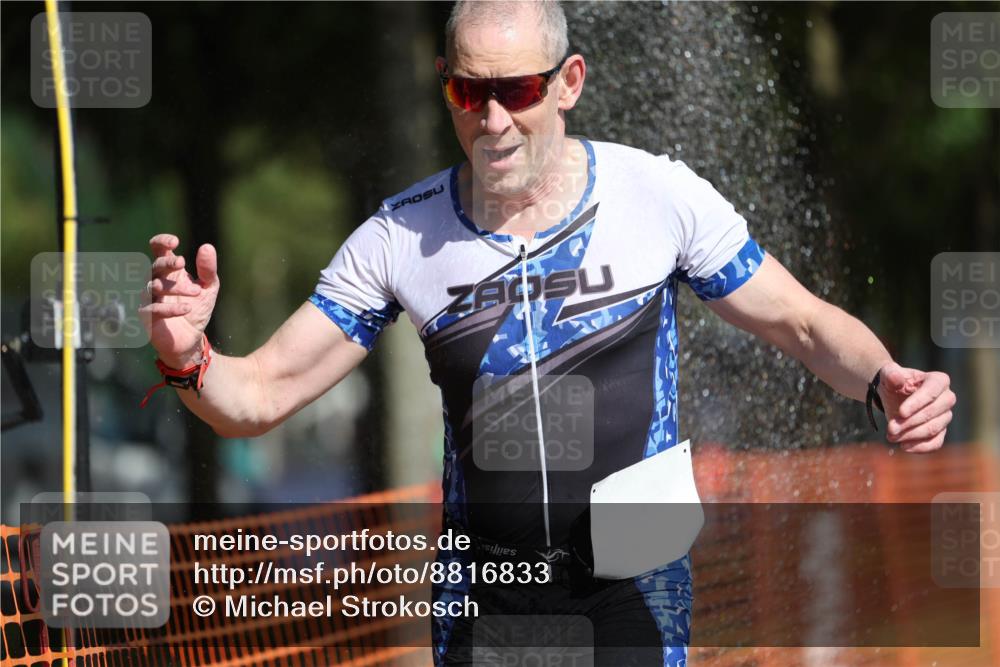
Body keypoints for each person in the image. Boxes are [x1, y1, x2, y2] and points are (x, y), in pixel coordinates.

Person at [142, 1, 956, 664]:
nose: (494, 120)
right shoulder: (401, 236)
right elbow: (258, 394)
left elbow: (803, 321)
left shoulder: (657, 195)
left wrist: (885, 379)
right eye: (469, 93)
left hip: (635, 566)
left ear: (568, 83)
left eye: (519, 90)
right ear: (445, 85)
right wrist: (189, 357)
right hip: (488, 584)